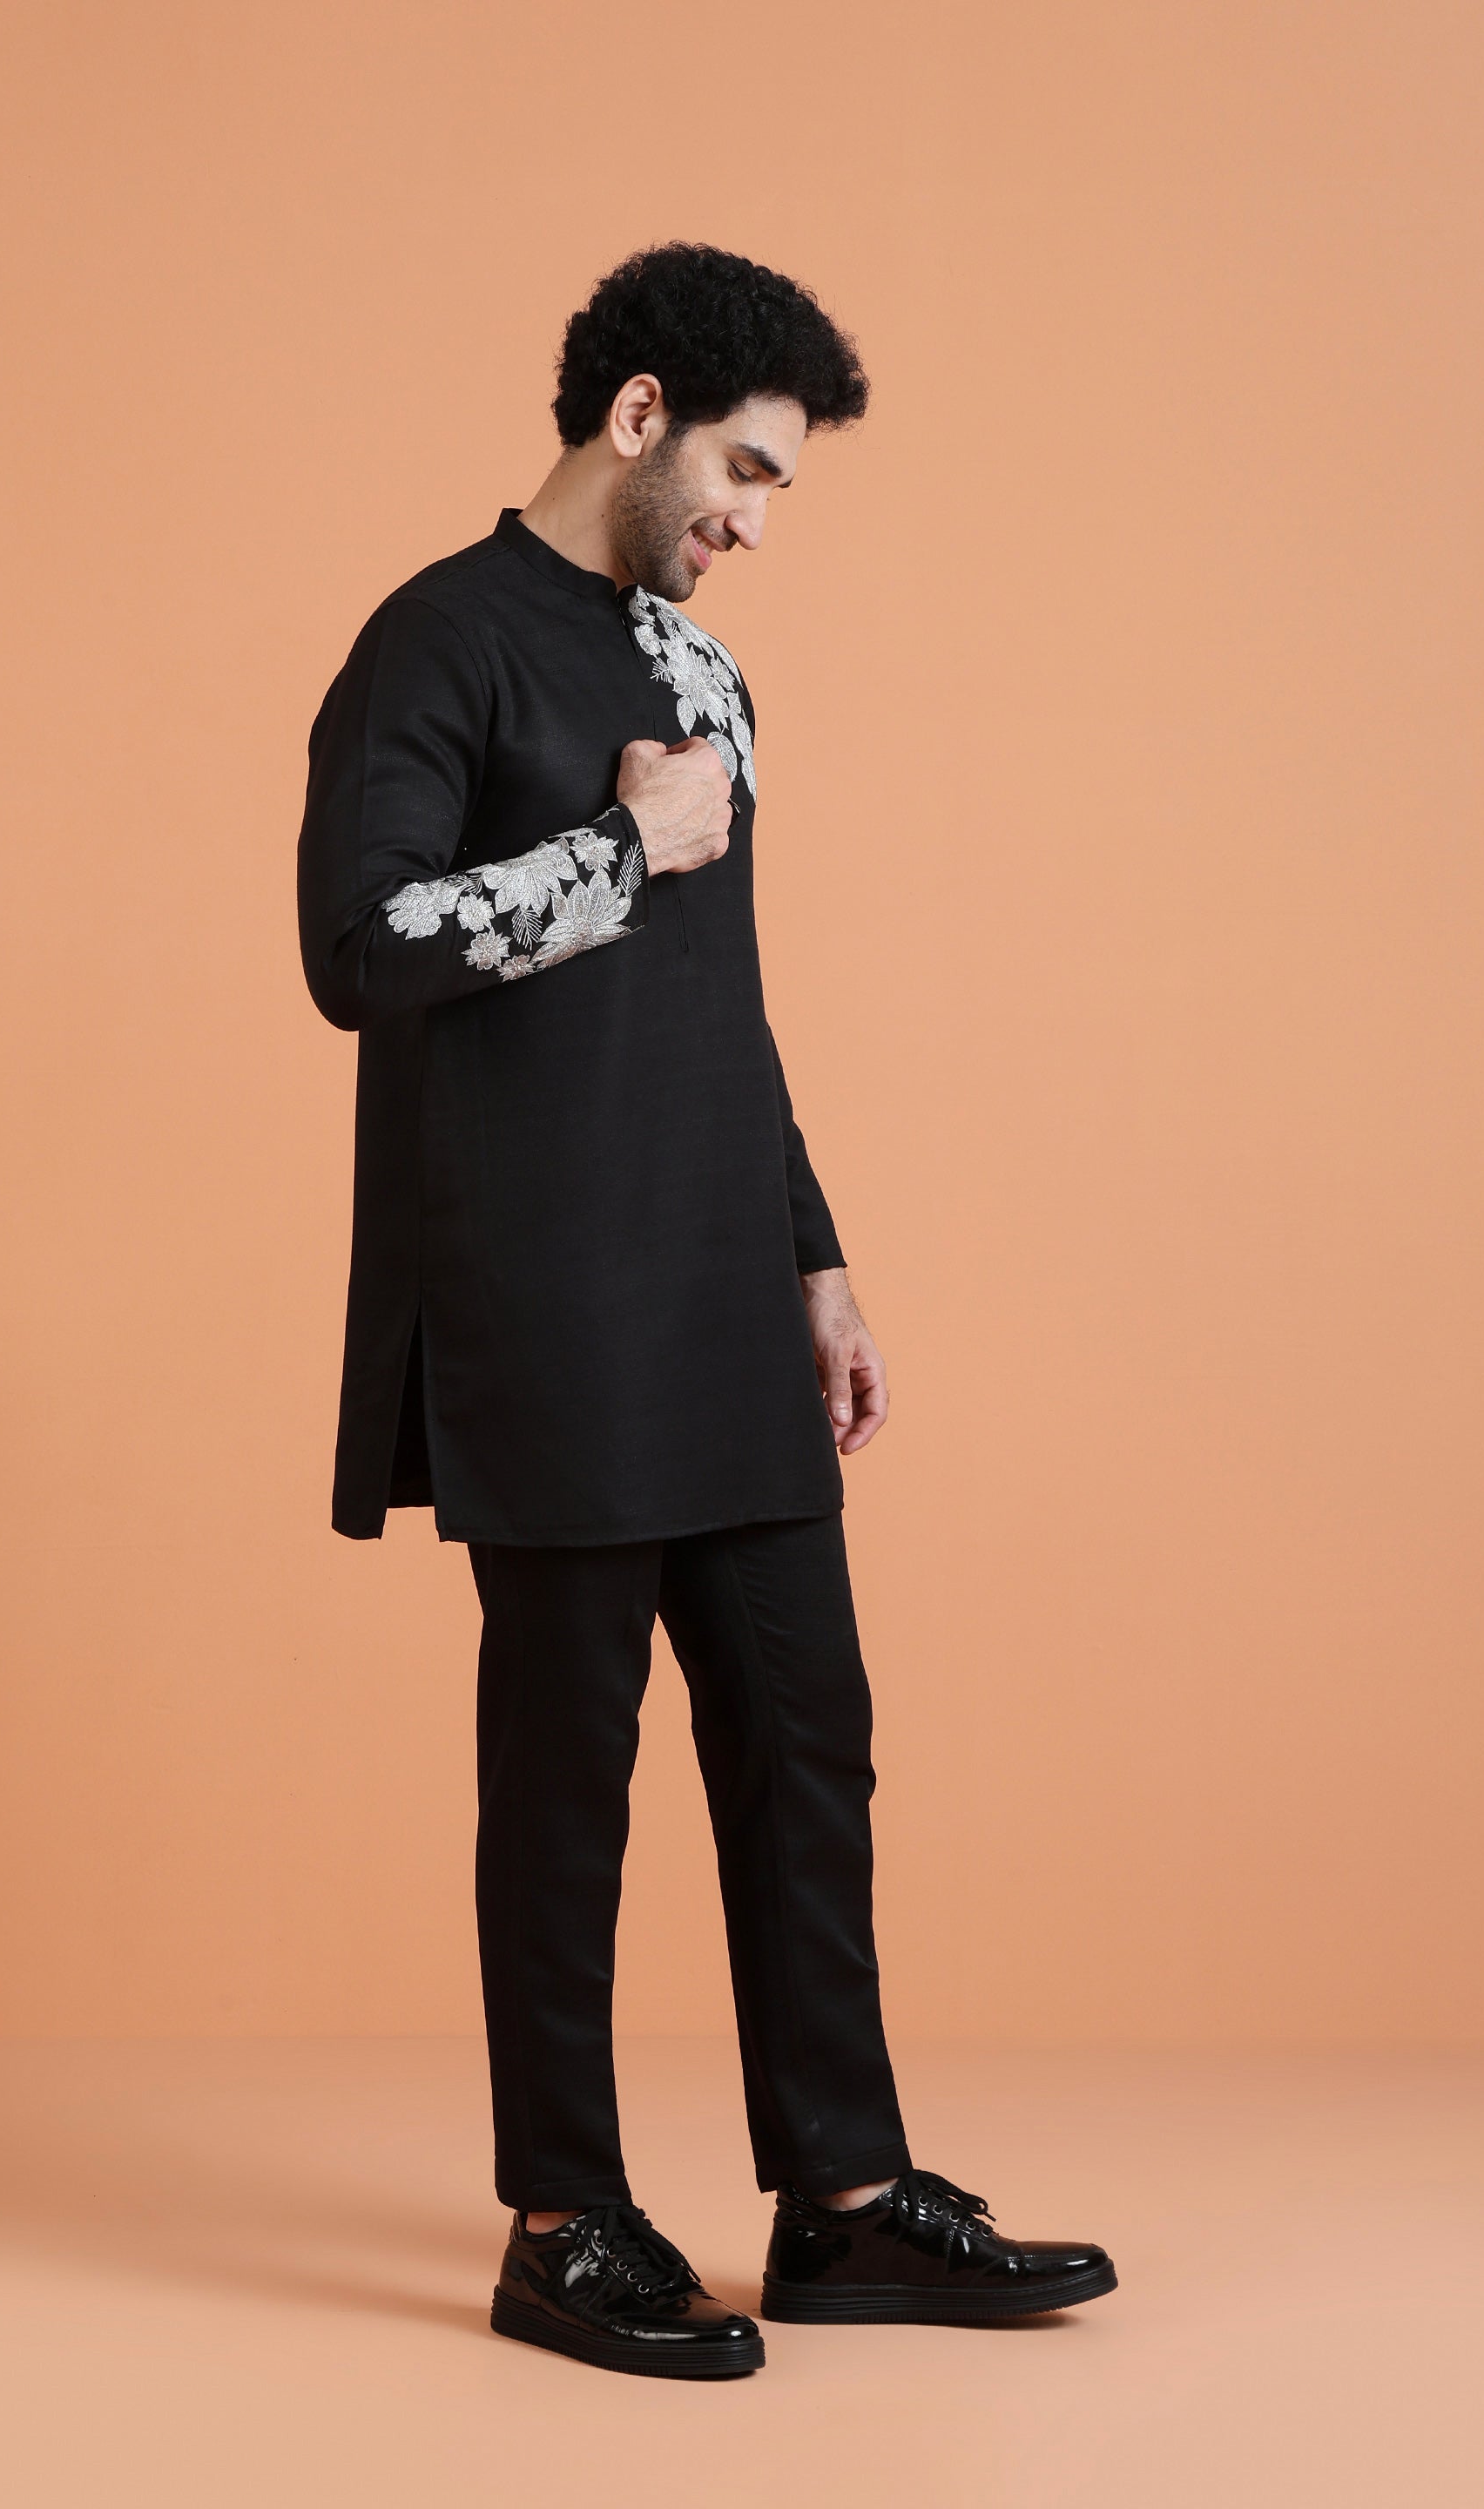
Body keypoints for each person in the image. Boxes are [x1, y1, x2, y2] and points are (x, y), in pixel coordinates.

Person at [295, 242, 1116, 2379]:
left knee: (807, 1738)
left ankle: (841, 2204)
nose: (759, 520)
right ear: (638, 414)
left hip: (719, 1290)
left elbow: (718, 1004)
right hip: (541, 1299)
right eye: (747, 470)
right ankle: (565, 2219)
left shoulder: (702, 671)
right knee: (570, 1774)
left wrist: (814, 1257)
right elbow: (358, 947)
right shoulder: (437, 639)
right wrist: (615, 847)